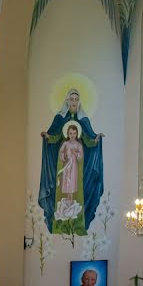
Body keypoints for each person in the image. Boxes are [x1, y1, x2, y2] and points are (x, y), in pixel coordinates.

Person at [38, 88, 104, 234]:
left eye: (76, 99)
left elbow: (87, 139)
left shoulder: (83, 120)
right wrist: (48, 136)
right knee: (63, 190)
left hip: (77, 168)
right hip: (63, 167)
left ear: (79, 102)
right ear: (67, 101)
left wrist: (95, 139)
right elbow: (55, 137)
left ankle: (76, 223)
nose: (74, 102)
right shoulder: (59, 119)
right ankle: (61, 224)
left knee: (75, 190)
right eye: (71, 99)